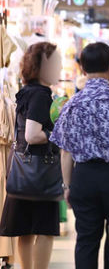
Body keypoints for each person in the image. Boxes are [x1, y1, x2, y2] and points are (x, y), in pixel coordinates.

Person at [49, 42, 109, 269]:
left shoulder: (72, 104)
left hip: (83, 176)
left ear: (83, 69)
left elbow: (65, 151)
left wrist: (67, 185)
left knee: (86, 239)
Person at [0, 42, 62, 269]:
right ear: (41, 66)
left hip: (22, 171)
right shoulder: (41, 96)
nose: (59, 67)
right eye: (56, 62)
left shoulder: (26, 92)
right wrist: (55, 132)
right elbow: (33, 135)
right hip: (40, 173)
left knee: (24, 229)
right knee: (44, 229)